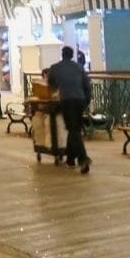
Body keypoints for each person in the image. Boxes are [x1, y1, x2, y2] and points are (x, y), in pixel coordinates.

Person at [48, 45, 93, 173]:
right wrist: (86, 101)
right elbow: (87, 86)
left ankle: (83, 159)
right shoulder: (79, 67)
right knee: (75, 129)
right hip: (80, 100)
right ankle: (70, 159)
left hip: (67, 101)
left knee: (73, 129)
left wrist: (58, 88)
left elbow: (51, 83)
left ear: (62, 55)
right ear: (72, 55)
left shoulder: (55, 68)